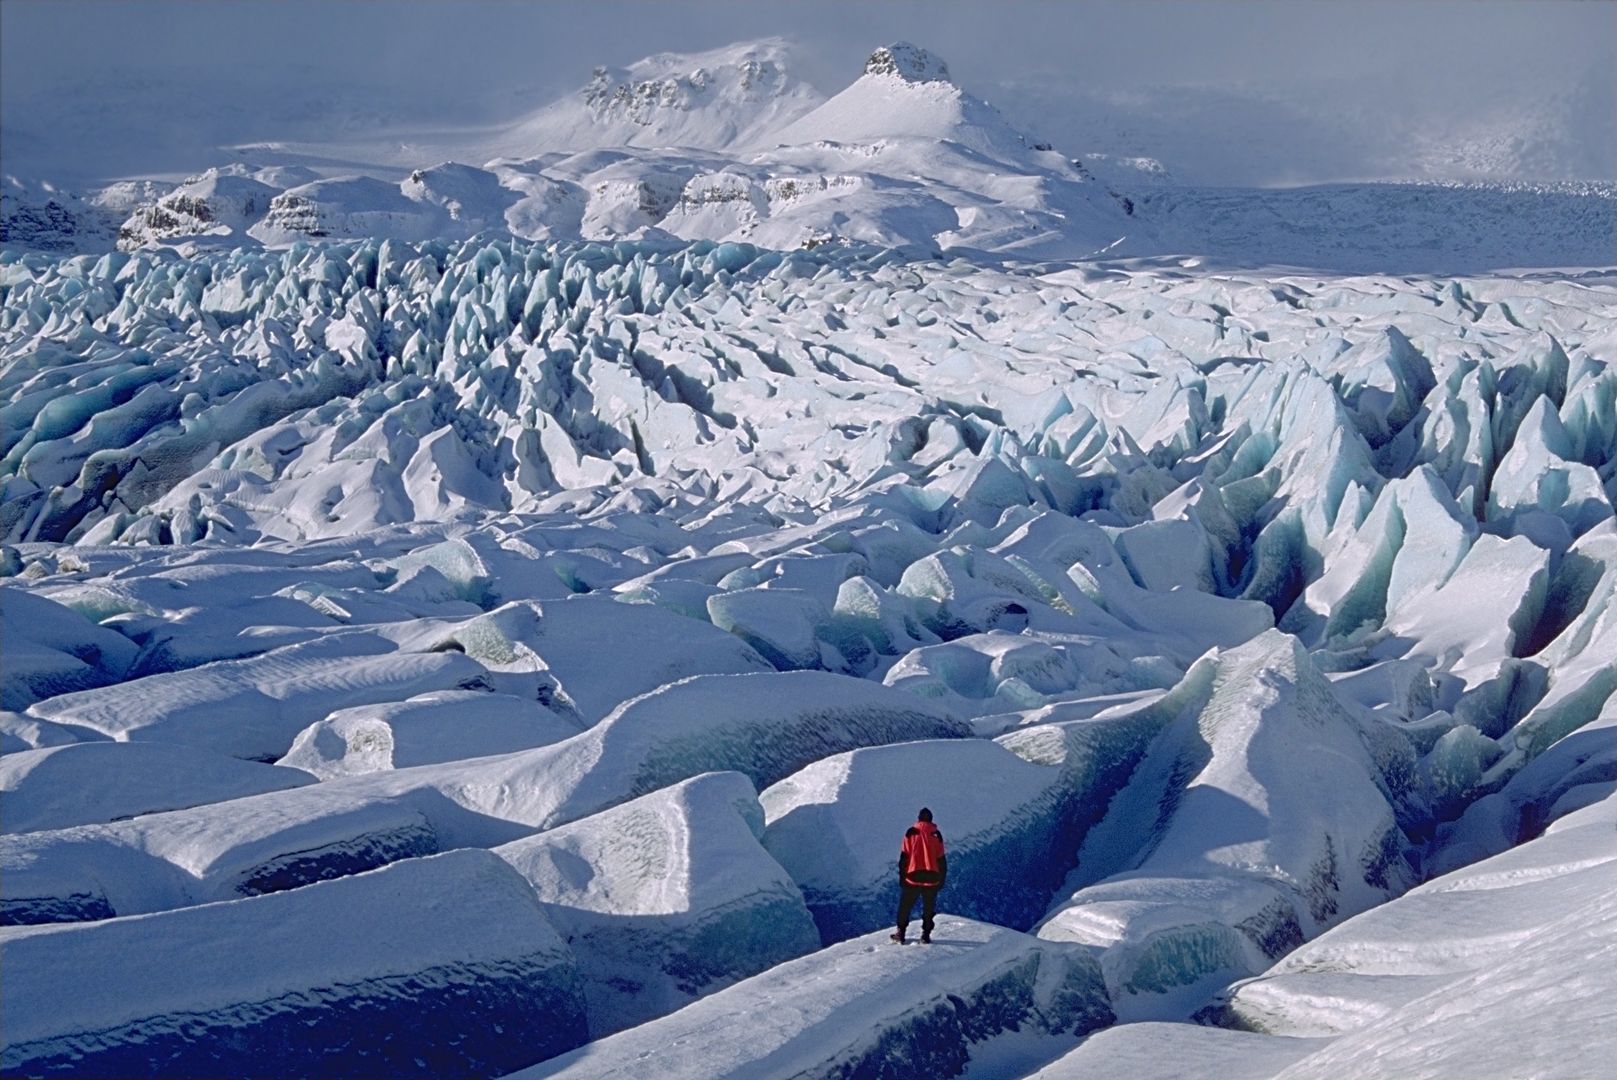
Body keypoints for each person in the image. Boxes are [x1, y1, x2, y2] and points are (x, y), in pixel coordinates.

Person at [890, 807, 946, 944]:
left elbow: (904, 857)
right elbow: (941, 859)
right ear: (931, 819)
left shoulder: (911, 833)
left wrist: (902, 877)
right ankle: (926, 935)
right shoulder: (936, 834)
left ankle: (901, 932)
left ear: (919, 819)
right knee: (928, 907)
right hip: (932, 878)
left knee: (905, 906)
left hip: (912, 876)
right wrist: (941, 879)